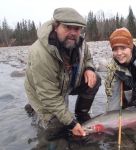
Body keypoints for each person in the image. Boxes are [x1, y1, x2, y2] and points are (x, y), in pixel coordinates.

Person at [24, 7, 101, 137]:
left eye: (76, 29)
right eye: (67, 27)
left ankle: (82, 114)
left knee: (95, 79)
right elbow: (50, 96)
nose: (72, 32)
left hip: (66, 83)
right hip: (45, 93)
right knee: (57, 130)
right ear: (56, 27)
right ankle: (34, 107)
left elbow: (88, 57)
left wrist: (89, 68)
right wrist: (71, 123)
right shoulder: (40, 53)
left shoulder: (80, 43)